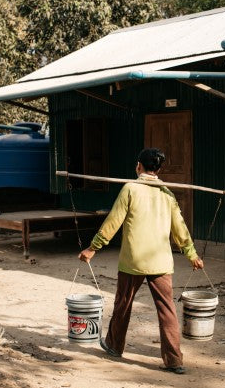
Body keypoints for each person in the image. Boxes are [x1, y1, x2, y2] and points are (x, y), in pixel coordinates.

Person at [79, 148, 203, 374]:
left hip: (133, 261)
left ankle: (115, 347)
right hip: (161, 262)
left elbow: (113, 222)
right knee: (167, 311)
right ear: (159, 169)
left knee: (123, 304)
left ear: (138, 166)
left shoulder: (130, 189)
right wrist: (192, 254)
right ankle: (174, 361)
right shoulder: (167, 194)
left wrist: (92, 248)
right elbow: (180, 229)